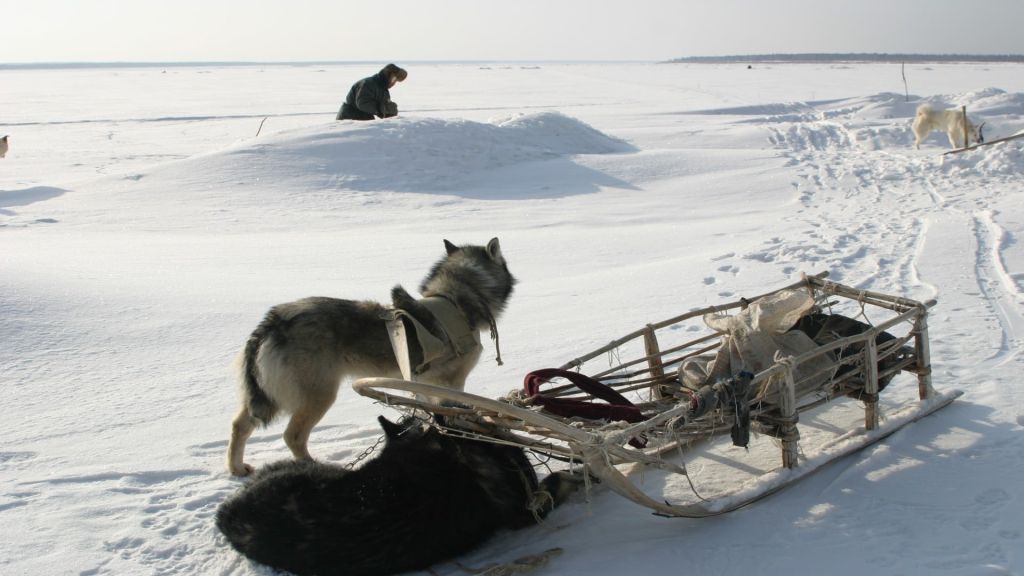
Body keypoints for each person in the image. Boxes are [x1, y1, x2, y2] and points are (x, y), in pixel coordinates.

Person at [336, 64, 407, 121]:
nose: (394, 83)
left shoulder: (384, 91)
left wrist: (389, 113)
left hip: (362, 119)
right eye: (394, 79)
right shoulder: (368, 84)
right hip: (348, 119)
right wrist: (382, 108)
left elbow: (382, 110)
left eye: (396, 81)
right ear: (387, 75)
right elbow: (362, 103)